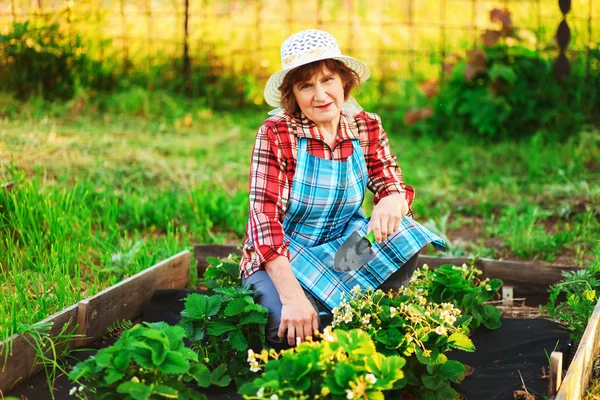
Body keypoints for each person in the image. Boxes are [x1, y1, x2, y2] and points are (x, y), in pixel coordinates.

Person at [239, 29, 445, 348]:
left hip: (343, 253)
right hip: (288, 256)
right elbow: (263, 221)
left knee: (406, 233)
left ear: (344, 82)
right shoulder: (277, 133)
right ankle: (329, 305)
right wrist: (293, 298)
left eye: (327, 80)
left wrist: (392, 199)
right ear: (292, 94)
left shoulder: (365, 125)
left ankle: (341, 306)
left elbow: (389, 177)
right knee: (282, 327)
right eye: (306, 85)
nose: (319, 95)